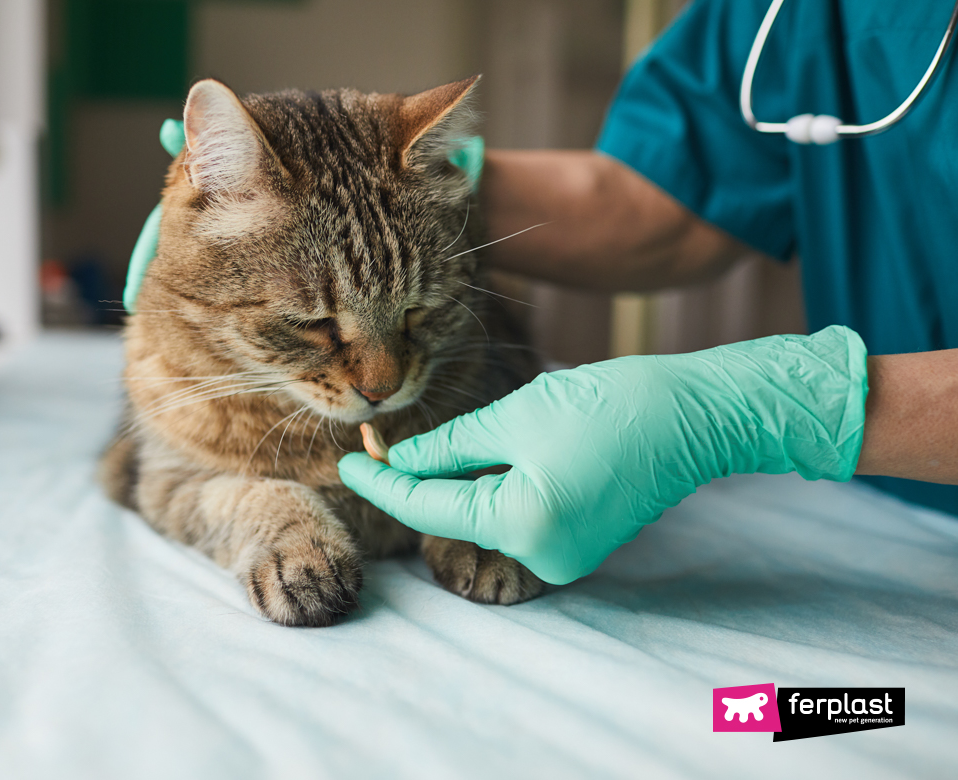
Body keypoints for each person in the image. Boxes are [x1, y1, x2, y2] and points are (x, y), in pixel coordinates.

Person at [338, 0, 958, 586]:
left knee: (785, 709)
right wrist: (401, 191)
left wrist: (773, 409)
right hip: (875, 512)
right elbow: (665, 197)